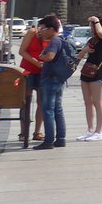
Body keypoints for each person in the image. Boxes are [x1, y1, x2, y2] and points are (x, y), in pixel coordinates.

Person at [34, 16, 70, 150]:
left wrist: (41, 56)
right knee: (57, 109)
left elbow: (50, 57)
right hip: (59, 78)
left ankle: (48, 140)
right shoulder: (61, 39)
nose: (41, 32)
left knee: (48, 109)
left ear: (50, 29)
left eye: (42, 29)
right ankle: (60, 139)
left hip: (50, 79)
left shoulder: (54, 41)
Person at [77, 15, 102, 141]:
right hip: (86, 73)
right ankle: (90, 129)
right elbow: (79, 56)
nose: (91, 28)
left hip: (97, 74)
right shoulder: (91, 40)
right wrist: (86, 49)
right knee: (88, 103)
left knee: (97, 102)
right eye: (91, 25)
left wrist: (95, 20)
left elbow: (100, 33)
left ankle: (98, 131)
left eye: (93, 25)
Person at [18, 17, 47, 142]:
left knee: (41, 102)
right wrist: (36, 62)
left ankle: (37, 132)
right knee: (25, 101)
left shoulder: (51, 37)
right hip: (28, 70)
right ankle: (23, 132)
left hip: (43, 72)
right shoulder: (32, 33)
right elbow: (22, 51)